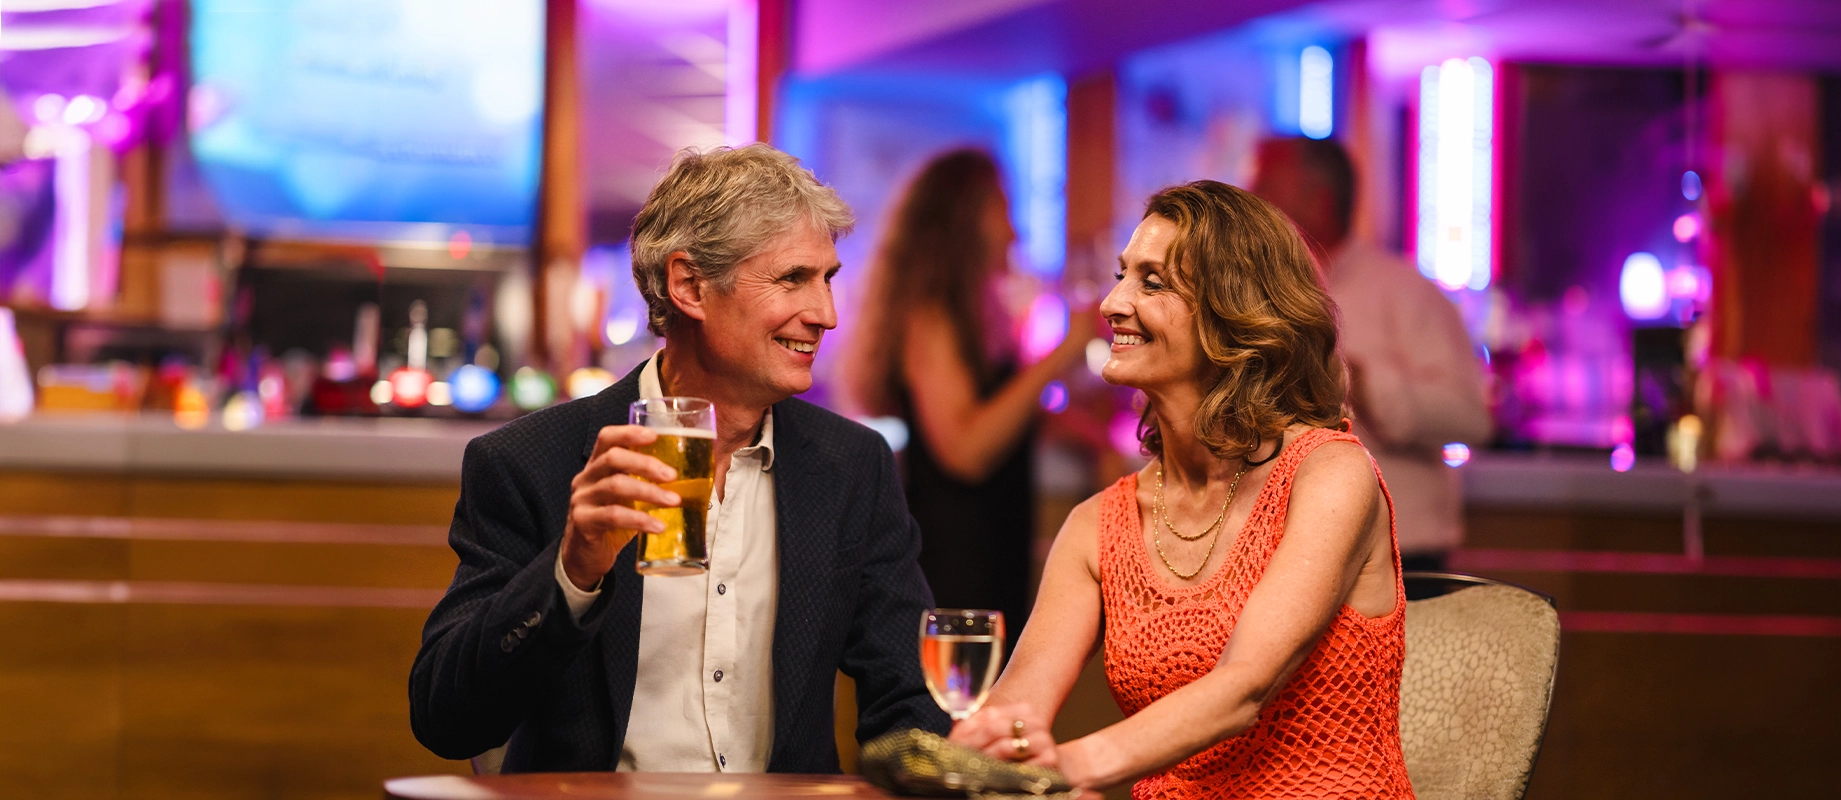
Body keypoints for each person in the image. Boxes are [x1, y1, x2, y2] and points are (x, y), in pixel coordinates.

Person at [409, 144, 950, 774]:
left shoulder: (852, 465)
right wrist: (572, 568)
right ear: (689, 285)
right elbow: (446, 720)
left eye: (827, 279)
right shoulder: (529, 461)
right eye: (792, 279)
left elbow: (911, 703)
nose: (825, 315)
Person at [949, 180, 1415, 798]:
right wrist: (985, 755)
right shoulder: (1098, 525)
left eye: (1152, 282)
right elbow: (1013, 712)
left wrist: (1066, 768)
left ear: (1235, 312)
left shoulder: (1330, 475)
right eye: (1122, 275)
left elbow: (1243, 688)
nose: (1113, 303)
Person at [841, 149, 1094, 642]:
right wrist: (1062, 355)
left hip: (992, 554)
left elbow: (1007, 416)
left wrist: (1092, 437)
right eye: (1002, 209)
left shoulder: (976, 317)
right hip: (954, 567)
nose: (1014, 232)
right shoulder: (931, 316)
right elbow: (966, 450)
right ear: (965, 219)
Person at [1250, 136, 1492, 578]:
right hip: (1282, 551)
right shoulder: (1249, 297)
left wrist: (1357, 381)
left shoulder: (1404, 293)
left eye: (1265, 188)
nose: (1249, 196)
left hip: (1398, 552)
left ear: (1318, 201)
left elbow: (1471, 418)